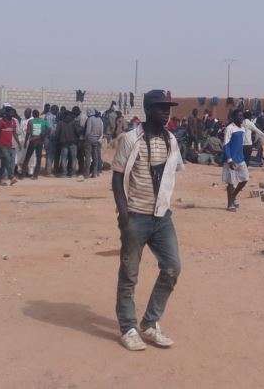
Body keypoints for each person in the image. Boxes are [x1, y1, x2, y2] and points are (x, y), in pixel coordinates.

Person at [111, 89, 184, 351]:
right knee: (129, 274)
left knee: (172, 267)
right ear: (148, 109)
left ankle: (150, 323)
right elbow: (117, 179)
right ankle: (128, 328)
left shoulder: (171, 140)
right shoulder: (131, 139)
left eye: (168, 108)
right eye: (160, 108)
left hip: (162, 217)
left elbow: (173, 171)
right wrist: (123, 216)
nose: (166, 113)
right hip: (136, 216)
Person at [222, 109, 248, 212]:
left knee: (245, 179)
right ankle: (230, 205)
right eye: (239, 116)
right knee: (231, 183)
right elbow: (226, 144)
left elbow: (241, 144)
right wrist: (229, 159)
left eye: (242, 116)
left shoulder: (242, 129)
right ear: (234, 117)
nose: (241, 118)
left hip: (240, 159)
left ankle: (233, 197)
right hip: (231, 160)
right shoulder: (229, 128)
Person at [0, 107, 21, 186]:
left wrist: (18, 143)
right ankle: (11, 177)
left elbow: (14, 133)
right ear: (6, 113)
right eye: (11, 112)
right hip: (1, 144)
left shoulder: (13, 121)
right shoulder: (1, 121)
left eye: (13, 112)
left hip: (9, 144)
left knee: (4, 163)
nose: (12, 114)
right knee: (8, 159)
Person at [21, 110, 48, 180]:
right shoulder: (43, 121)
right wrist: (44, 135)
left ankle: (22, 175)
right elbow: (49, 129)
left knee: (27, 158)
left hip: (33, 141)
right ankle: (35, 175)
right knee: (38, 159)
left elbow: (28, 133)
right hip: (40, 141)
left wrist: (25, 142)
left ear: (33, 114)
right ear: (38, 114)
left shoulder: (31, 121)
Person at [56, 108, 81, 179]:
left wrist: (58, 140)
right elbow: (78, 132)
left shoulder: (60, 123)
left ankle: (64, 173)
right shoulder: (74, 122)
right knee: (73, 158)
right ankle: (73, 173)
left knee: (64, 158)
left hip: (64, 143)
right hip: (73, 143)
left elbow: (57, 133)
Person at [85, 109, 105, 178]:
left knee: (88, 156)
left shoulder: (90, 119)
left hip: (89, 139)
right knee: (95, 156)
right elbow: (101, 132)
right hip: (96, 140)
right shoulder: (100, 120)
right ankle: (95, 173)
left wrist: (86, 137)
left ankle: (87, 173)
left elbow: (88, 131)